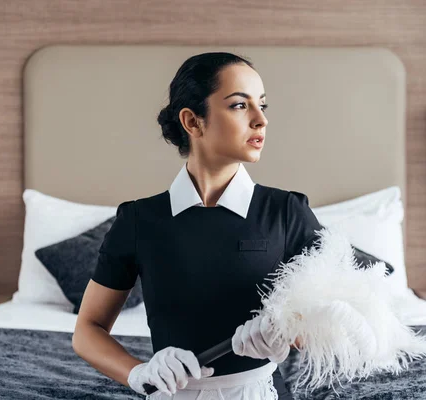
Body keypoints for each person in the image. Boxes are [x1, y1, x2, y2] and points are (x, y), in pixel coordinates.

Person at [72, 52, 323, 400]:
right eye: (239, 105)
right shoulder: (138, 221)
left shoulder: (287, 212)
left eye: (262, 105)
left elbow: (339, 315)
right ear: (192, 121)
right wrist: (138, 372)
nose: (261, 120)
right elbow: (88, 329)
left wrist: (289, 329)